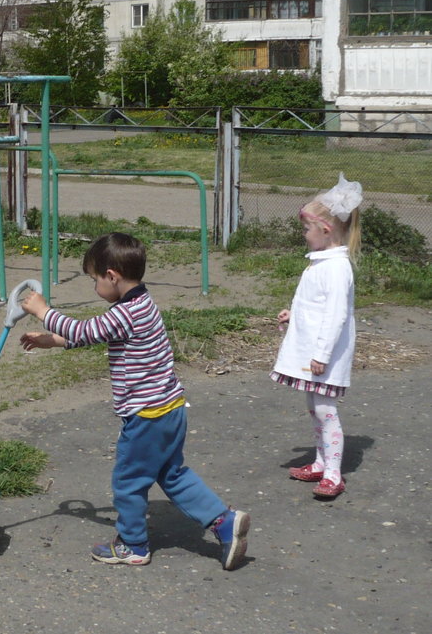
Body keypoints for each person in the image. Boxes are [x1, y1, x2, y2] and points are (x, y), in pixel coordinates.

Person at [20, 232, 250, 570]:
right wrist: (54, 342)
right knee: (172, 474)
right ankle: (223, 521)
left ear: (111, 276)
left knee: (128, 480)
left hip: (147, 416)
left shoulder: (125, 312)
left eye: (94, 279)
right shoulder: (141, 304)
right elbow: (99, 334)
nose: (94, 286)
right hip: (170, 408)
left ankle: (133, 544)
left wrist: (44, 312)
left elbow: (86, 330)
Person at [273, 174, 362, 499]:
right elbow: (316, 304)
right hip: (314, 352)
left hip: (325, 355)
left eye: (306, 229)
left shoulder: (337, 268)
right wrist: (293, 314)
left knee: (326, 409)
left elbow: (336, 315)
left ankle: (334, 473)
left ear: (325, 230)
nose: (303, 235)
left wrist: (322, 356)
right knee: (315, 407)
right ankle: (321, 462)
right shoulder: (322, 263)